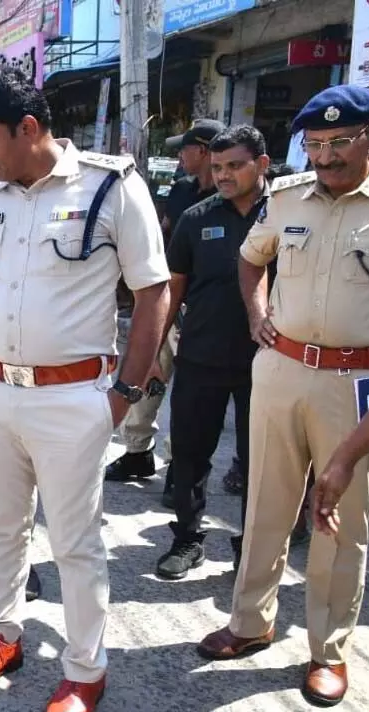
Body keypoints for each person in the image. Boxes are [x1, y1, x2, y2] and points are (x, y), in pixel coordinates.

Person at [0, 67, 169, 712]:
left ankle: (85, 671)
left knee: (74, 543)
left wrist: (123, 393)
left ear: (28, 129)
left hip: (73, 399)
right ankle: (1, 637)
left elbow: (153, 292)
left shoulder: (110, 186)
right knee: (3, 528)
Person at [197, 85, 369, 709]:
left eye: (341, 143)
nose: (326, 157)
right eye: (316, 143)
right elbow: (253, 261)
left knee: (338, 520)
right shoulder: (285, 199)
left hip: (355, 384)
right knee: (263, 505)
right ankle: (250, 623)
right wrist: (256, 312)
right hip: (279, 370)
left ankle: (328, 652)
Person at [152, 125, 270, 580]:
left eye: (234, 166)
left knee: (259, 462)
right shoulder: (196, 219)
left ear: (261, 164)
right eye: (217, 166)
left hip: (267, 363)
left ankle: (252, 547)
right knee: (189, 454)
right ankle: (186, 539)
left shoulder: (285, 216)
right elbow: (172, 291)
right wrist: (154, 355)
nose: (223, 175)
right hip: (200, 357)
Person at [106, 118, 225, 500]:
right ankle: (138, 451)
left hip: (203, 309)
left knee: (190, 395)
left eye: (185, 148)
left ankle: (180, 466)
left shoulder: (229, 198)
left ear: (203, 150)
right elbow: (160, 233)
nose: (179, 155)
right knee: (145, 378)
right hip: (165, 301)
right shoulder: (180, 190)